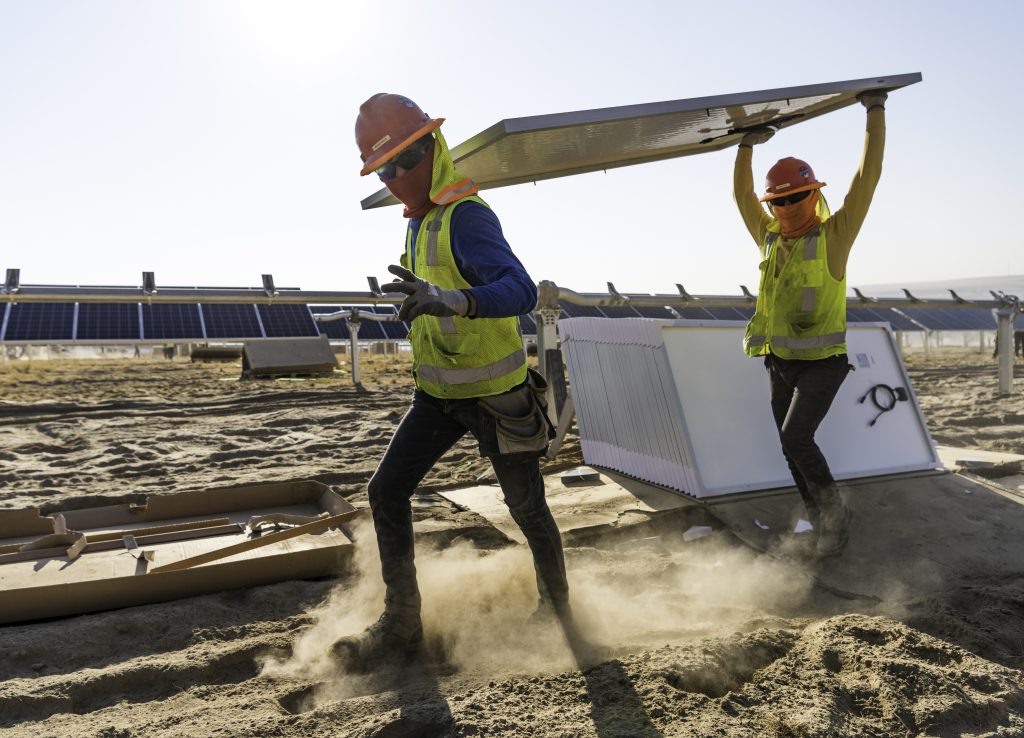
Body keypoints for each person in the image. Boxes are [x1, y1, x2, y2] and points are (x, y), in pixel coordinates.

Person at [332, 93, 570, 669]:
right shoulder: (419, 223)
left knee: (527, 507)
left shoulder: (468, 215)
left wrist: (453, 300)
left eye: (403, 162)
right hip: (438, 395)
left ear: (432, 148)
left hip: (496, 394)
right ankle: (402, 624)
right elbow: (435, 297)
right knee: (385, 491)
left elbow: (517, 289)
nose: (394, 177)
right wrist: (426, 306)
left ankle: (560, 613)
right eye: (383, 169)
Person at [733, 89, 888, 557]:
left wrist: (875, 111)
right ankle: (822, 523)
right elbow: (742, 196)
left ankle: (835, 517)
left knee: (796, 437)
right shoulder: (767, 237)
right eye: (780, 200)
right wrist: (745, 147)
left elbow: (868, 177)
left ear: (814, 193)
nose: (787, 206)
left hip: (824, 363)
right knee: (789, 447)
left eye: (798, 197)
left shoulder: (835, 234)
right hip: (778, 361)